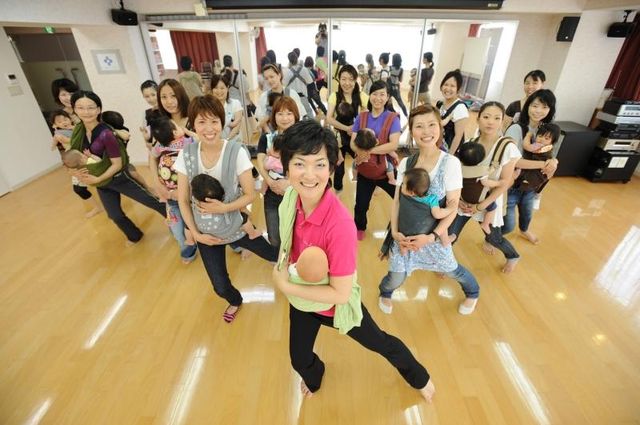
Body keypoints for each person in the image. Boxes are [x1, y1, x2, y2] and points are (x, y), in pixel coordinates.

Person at [271, 119, 435, 402]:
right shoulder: (290, 198)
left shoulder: (339, 225)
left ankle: (419, 377)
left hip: (335, 308)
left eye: (319, 164)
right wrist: (285, 272)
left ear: (333, 167)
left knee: (380, 342)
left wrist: (285, 286)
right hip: (303, 299)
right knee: (300, 360)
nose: (309, 175)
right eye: (299, 164)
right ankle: (315, 376)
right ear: (286, 167)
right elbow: (287, 244)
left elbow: (341, 294)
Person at [176, 95, 278, 323]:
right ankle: (235, 300)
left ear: (222, 122)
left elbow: (250, 194)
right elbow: (183, 200)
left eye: (214, 121)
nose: (209, 128)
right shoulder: (187, 154)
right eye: (202, 122)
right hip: (206, 233)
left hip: (236, 225)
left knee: (272, 253)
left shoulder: (236, 151)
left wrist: (224, 208)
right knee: (220, 286)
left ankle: (294, 273)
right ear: (193, 124)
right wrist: (196, 234)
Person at [378, 104, 480, 316]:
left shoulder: (450, 164)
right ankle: (385, 292)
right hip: (404, 236)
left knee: (452, 270)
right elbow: (397, 202)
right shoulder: (406, 163)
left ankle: (473, 292)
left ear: (440, 128)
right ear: (412, 131)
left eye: (432, 125)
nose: (426, 131)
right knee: (396, 277)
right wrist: (394, 232)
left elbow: (452, 207)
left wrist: (432, 237)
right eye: (419, 126)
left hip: (433, 237)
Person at [68, 91, 166, 243]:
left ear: (99, 109)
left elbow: (117, 164)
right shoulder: (78, 131)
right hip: (102, 183)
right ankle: (135, 236)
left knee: (153, 202)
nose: (86, 112)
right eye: (80, 107)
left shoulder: (106, 134)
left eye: (91, 107)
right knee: (114, 215)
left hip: (119, 178)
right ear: (74, 109)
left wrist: (97, 178)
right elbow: (74, 155)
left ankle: (184, 226)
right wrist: (76, 172)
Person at [447, 102, 521, 273]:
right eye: (486, 117)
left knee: (494, 237)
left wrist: (480, 206)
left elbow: (505, 182)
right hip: (464, 200)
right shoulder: (470, 143)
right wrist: (458, 200)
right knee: (450, 234)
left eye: (496, 118)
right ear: (478, 118)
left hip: (489, 202)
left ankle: (513, 256)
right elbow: (460, 175)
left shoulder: (507, 147)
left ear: (502, 121)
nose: (490, 122)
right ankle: (444, 262)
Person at [503, 89, 559, 244]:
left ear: (550, 110)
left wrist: (554, 161)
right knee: (508, 225)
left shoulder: (547, 130)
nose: (538, 111)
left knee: (527, 214)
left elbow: (551, 153)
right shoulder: (516, 129)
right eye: (535, 106)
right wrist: (543, 164)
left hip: (531, 185)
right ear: (527, 106)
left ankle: (524, 230)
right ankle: (491, 237)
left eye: (544, 107)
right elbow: (513, 161)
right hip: (512, 184)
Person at [350, 80, 400, 240]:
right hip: (365, 171)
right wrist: (362, 152)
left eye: (382, 94)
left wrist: (367, 151)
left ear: (388, 97)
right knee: (361, 204)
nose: (378, 98)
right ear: (369, 95)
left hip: (386, 171)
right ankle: (359, 227)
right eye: (374, 94)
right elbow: (352, 142)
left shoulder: (393, 118)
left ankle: (402, 227)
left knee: (403, 198)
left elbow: (394, 144)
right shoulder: (362, 117)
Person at [149, 115, 198, 263]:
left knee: (186, 222)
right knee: (178, 224)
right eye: (176, 126)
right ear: (175, 132)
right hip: (170, 194)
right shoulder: (186, 141)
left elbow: (152, 155)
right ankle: (185, 246)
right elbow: (198, 139)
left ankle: (189, 244)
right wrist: (188, 132)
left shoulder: (182, 143)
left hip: (185, 193)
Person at [255, 96, 299, 249]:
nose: (285, 118)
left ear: (295, 115)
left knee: (297, 234)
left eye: (289, 113)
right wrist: (271, 182)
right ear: (274, 116)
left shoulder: (303, 139)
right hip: (272, 194)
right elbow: (261, 162)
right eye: (280, 114)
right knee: (274, 237)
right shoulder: (266, 139)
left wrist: (289, 183)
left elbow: (307, 167)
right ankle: (278, 258)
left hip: (296, 193)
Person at [325, 64, 369, 192]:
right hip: (338, 139)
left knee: (363, 163)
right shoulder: (334, 96)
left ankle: (364, 189)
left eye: (351, 79)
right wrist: (347, 128)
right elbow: (329, 118)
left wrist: (356, 129)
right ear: (339, 80)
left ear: (355, 80)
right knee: (339, 169)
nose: (347, 83)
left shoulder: (362, 96)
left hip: (356, 138)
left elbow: (370, 116)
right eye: (343, 79)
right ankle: (338, 191)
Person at [396, 167, 457, 252]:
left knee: (405, 236)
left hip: (404, 228)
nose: (401, 185)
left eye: (403, 184)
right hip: (420, 231)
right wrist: (449, 209)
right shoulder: (431, 199)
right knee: (441, 218)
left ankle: (404, 247)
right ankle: (445, 240)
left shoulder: (407, 196)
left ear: (412, 192)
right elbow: (437, 214)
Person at [190, 173, 263, 240]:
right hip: (227, 230)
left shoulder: (196, 202)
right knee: (244, 217)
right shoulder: (227, 197)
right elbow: (243, 203)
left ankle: (190, 240)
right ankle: (252, 234)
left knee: (188, 226)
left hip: (207, 231)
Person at [457, 141, 500, 235]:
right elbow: (485, 182)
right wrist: (498, 183)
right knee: (493, 207)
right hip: (478, 199)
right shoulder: (482, 170)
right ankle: (485, 224)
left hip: (463, 198)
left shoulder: (459, 169)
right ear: (482, 158)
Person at [256, 63, 306, 133]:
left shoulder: (291, 94)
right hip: (271, 134)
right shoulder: (264, 97)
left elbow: (300, 116)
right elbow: (261, 120)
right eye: (266, 78)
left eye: (271, 77)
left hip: (291, 133)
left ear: (279, 75)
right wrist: (271, 135)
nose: (269, 80)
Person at [514, 123, 560, 196]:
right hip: (539, 175)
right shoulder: (549, 148)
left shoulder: (539, 146)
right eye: (540, 136)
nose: (541, 140)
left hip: (535, 173)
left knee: (522, 175)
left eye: (546, 138)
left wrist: (528, 135)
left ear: (552, 142)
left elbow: (527, 146)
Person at [437, 70, 468, 155]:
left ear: (458, 89)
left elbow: (458, 136)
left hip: (449, 151)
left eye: (452, 86)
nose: (448, 88)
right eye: (446, 84)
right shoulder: (440, 103)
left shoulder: (460, 108)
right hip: (438, 148)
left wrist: (449, 156)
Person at [210, 74, 243, 143]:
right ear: (212, 90)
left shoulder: (235, 103)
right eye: (216, 88)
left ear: (227, 88)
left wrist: (226, 140)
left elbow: (237, 125)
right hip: (215, 142)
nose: (219, 91)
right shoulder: (208, 107)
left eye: (222, 88)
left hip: (233, 141)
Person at [283, 51, 315, 119]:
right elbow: (310, 82)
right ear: (297, 59)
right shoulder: (304, 70)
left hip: (291, 98)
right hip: (302, 97)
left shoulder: (287, 72)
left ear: (289, 60)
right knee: (308, 114)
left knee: (293, 116)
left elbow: (284, 84)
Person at [139, 80, 161, 149]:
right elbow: (146, 134)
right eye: (147, 96)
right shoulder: (146, 113)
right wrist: (147, 143)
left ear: (159, 92)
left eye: (153, 95)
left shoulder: (168, 109)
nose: (151, 99)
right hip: (156, 149)